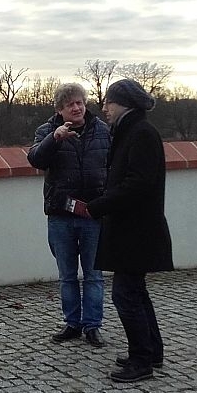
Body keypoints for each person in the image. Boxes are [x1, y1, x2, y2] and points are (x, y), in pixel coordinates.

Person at [86, 79, 173, 383]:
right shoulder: (132, 131)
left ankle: (141, 360)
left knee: (126, 295)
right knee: (135, 291)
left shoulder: (141, 133)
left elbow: (138, 184)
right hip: (132, 229)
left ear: (124, 103)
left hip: (137, 230)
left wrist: (100, 204)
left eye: (108, 102)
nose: (104, 108)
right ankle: (151, 350)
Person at [28, 83, 111, 347]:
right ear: (60, 109)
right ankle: (72, 323)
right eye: (70, 105)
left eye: (80, 103)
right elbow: (36, 160)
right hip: (60, 214)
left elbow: (114, 165)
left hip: (93, 213)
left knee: (94, 274)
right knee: (67, 275)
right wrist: (55, 138)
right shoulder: (46, 131)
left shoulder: (102, 130)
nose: (76, 108)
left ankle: (92, 326)